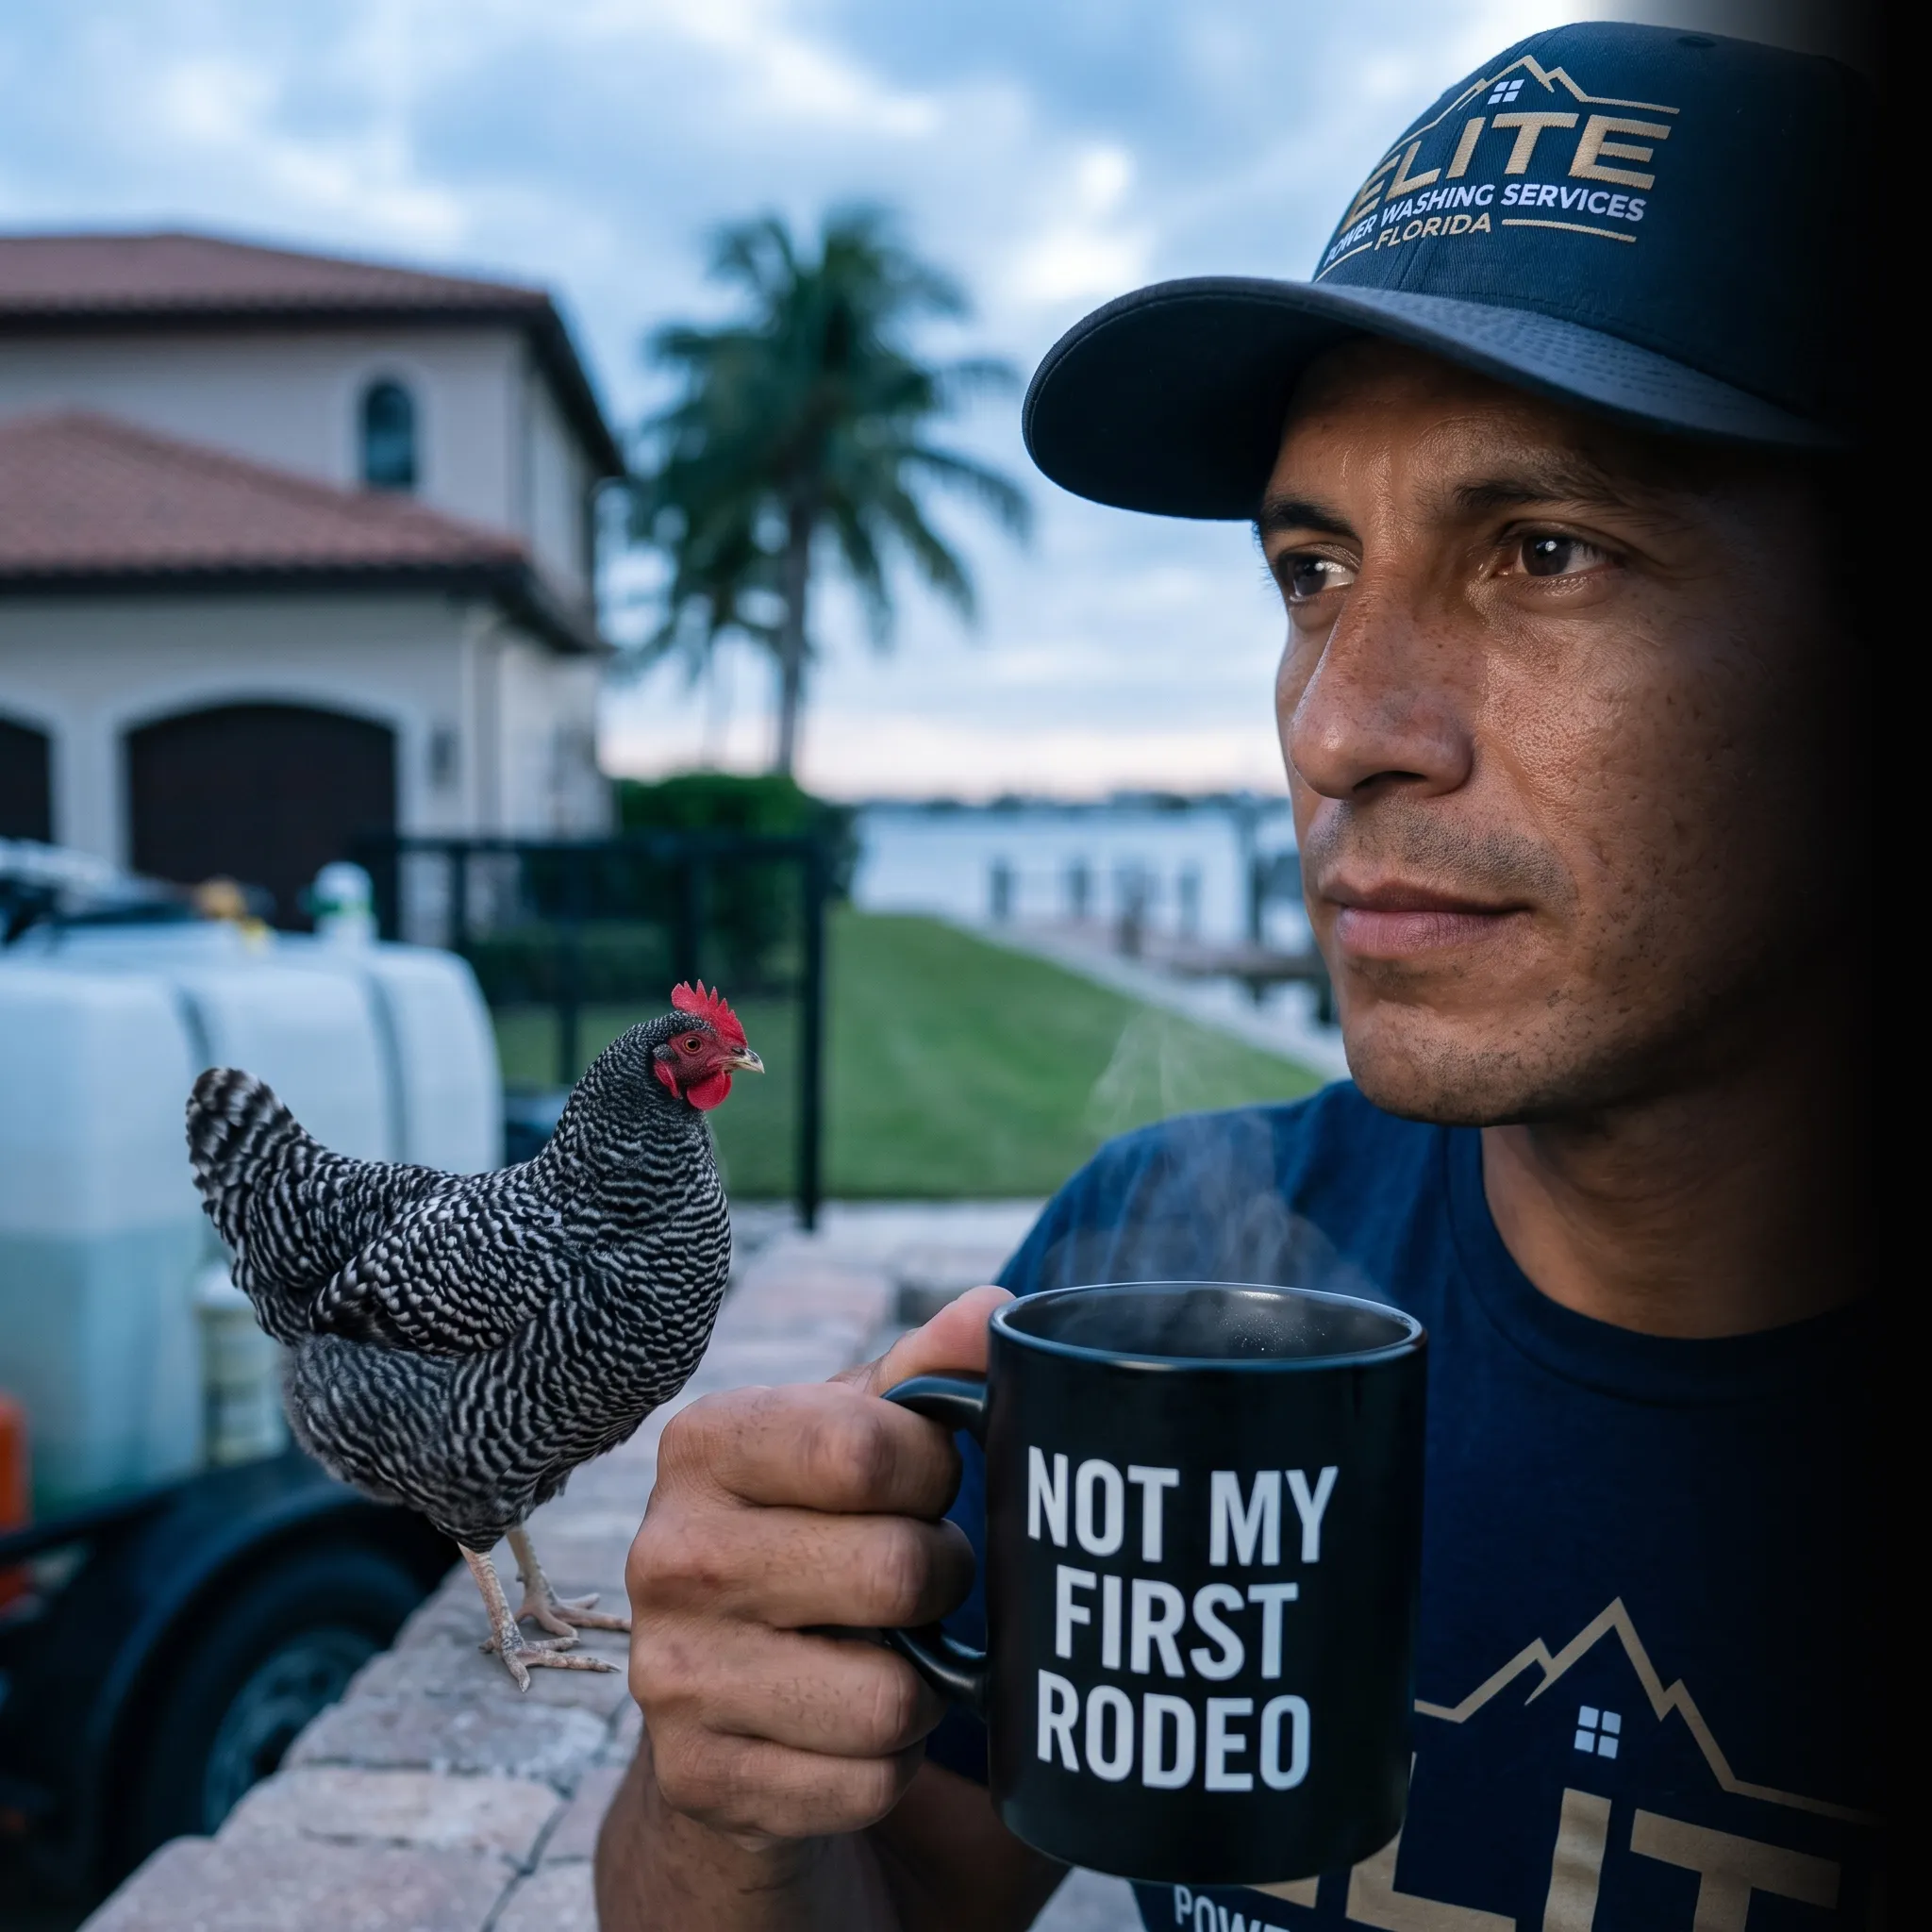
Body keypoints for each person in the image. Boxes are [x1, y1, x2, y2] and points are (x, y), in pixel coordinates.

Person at [597, 21, 1877, 1928]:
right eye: (1308, 569)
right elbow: (910, 1898)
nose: (1340, 723)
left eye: (1544, 549)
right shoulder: (1165, 1272)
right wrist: (731, 1794)